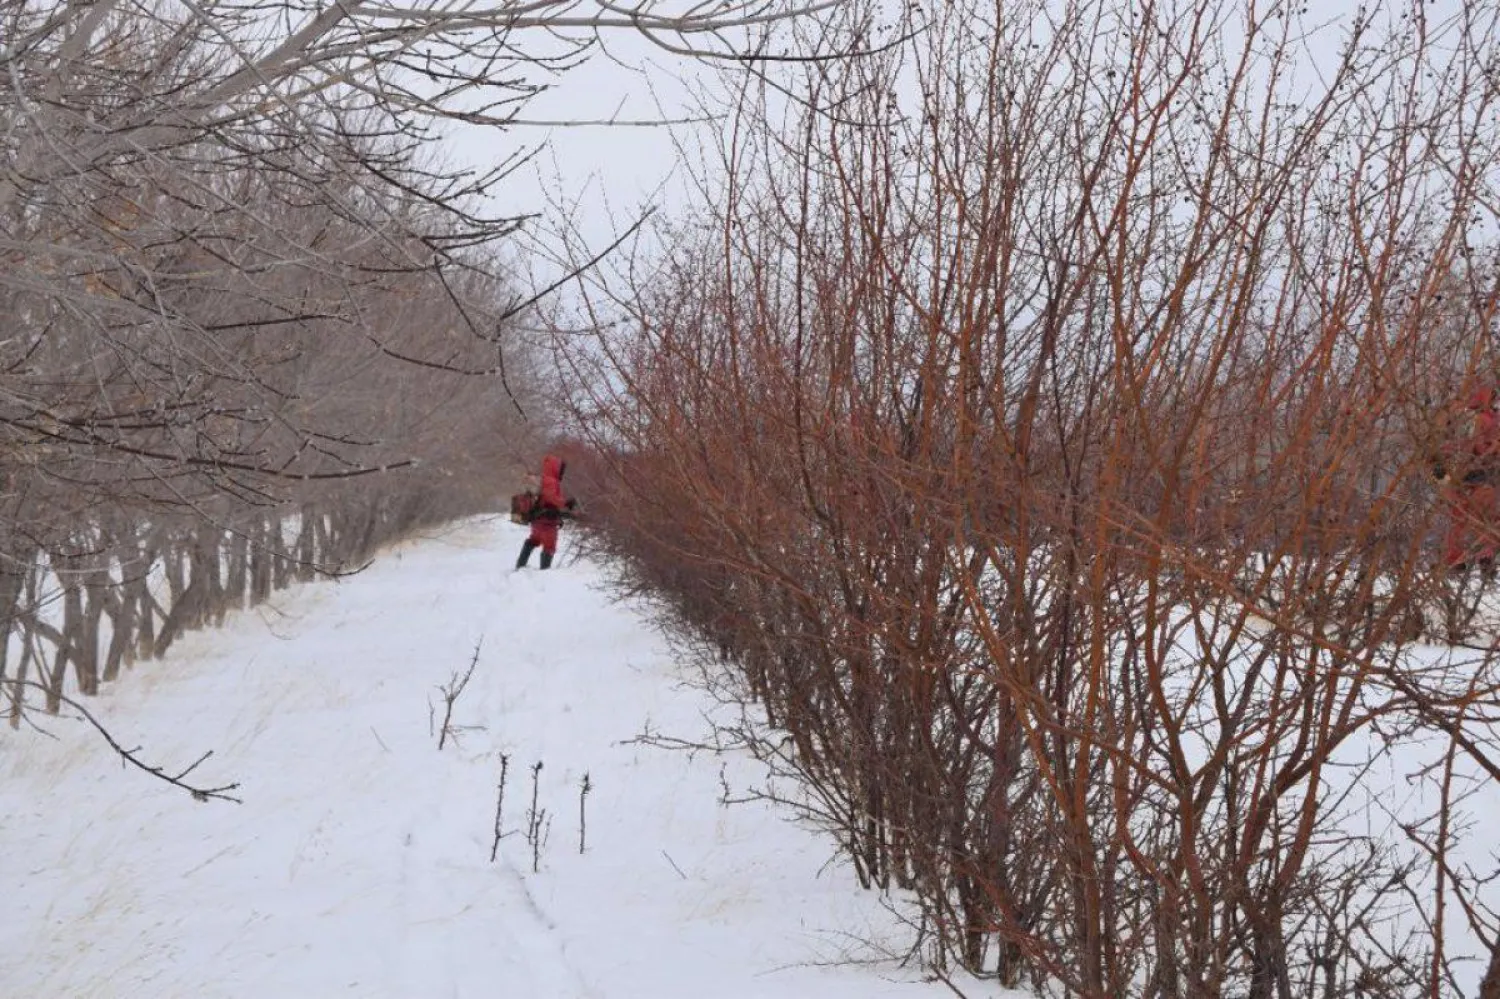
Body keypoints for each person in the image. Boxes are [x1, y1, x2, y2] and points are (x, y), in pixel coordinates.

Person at [1435, 384, 1500, 573]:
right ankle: (1483, 556)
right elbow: (1479, 447)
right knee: (1485, 517)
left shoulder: (1463, 416)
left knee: (1461, 518)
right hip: (1480, 473)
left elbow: (1447, 447)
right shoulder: (1481, 418)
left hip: (1459, 474)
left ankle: (1457, 559)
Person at [516, 454, 576, 570]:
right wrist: (565, 503)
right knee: (549, 546)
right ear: (556, 468)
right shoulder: (551, 481)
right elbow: (551, 497)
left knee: (534, 539)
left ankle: (520, 565)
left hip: (537, 518)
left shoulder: (543, 478)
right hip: (547, 520)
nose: (562, 472)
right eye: (561, 469)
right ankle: (545, 572)